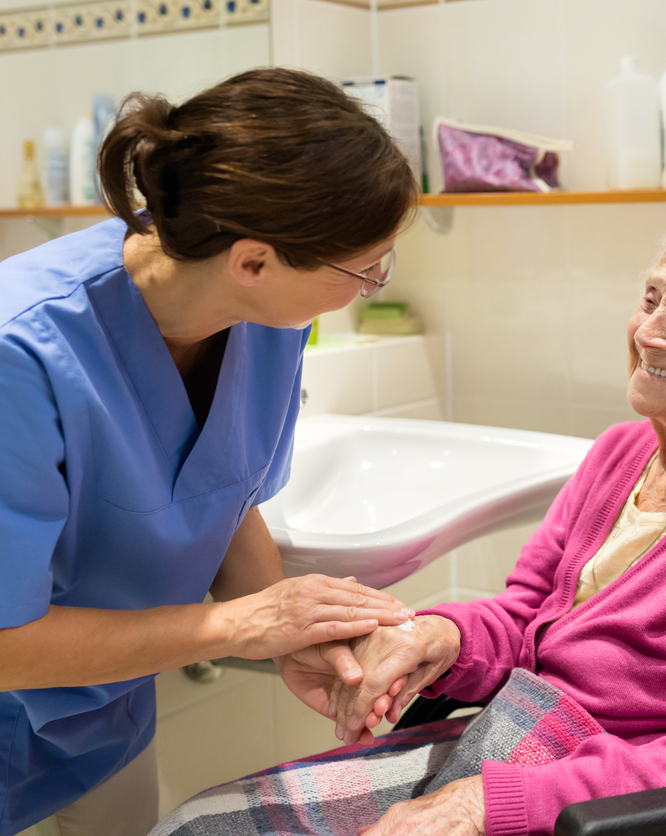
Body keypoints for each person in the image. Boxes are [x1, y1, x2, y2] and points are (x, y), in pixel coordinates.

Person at [157, 191, 666, 836]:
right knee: (200, 825)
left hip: (625, 803)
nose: (650, 332)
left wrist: (482, 804)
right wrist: (436, 636)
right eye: (650, 299)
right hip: (519, 737)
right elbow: (525, 618)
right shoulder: (621, 453)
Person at [0, 68, 422, 836]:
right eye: (365, 269)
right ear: (254, 260)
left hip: (108, 716)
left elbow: (221, 492)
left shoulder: (269, 321)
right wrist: (240, 629)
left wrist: (293, 642)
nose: (369, 286)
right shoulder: (20, 352)